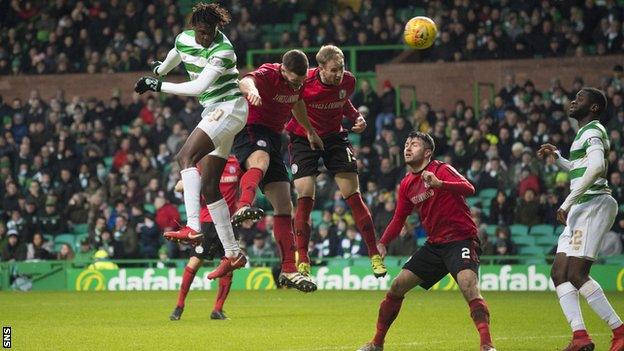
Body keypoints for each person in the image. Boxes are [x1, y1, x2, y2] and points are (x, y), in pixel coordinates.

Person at [134, 3, 246, 274]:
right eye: (201, 32)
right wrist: (160, 70)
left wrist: (156, 85)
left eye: (210, 32)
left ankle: (193, 226)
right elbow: (175, 54)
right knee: (209, 186)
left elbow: (199, 87)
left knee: (185, 157)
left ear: (217, 29)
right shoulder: (185, 39)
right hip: (215, 110)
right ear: (193, 27)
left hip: (230, 107)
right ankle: (233, 254)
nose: (205, 37)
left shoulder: (223, 50)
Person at [357, 132, 495, 351]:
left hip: (461, 240)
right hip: (434, 245)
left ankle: (487, 345)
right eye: (406, 144)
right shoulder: (406, 184)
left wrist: (440, 184)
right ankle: (377, 343)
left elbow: (469, 188)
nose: (407, 148)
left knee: (468, 285)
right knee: (397, 286)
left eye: (414, 144)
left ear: (427, 152)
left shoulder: (441, 169)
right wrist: (382, 242)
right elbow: (399, 218)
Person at [287, 45, 386, 278]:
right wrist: (310, 132)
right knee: (305, 195)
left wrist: (356, 117)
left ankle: (374, 254)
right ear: (320, 68)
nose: (338, 74)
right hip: (303, 137)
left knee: (353, 194)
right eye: (333, 70)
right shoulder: (305, 82)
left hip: (334, 137)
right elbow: (294, 107)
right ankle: (303, 259)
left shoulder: (348, 82)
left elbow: (343, 101)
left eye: (341, 68)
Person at [537, 87, 624, 351]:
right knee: (559, 273)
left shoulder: (593, 130)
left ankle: (620, 332)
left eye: (581, 98)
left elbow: (598, 167)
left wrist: (567, 202)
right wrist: (559, 159)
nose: (574, 101)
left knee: (576, 273)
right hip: (582, 206)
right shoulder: (583, 134)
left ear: (594, 107)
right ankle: (580, 337)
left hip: (592, 204)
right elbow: (584, 168)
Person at [227, 50, 321, 292]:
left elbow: (298, 103)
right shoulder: (269, 72)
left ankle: (289, 270)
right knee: (260, 161)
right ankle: (243, 205)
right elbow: (245, 80)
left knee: (284, 203)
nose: (297, 84)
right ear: (283, 70)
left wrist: (309, 130)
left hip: (274, 136)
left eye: (300, 82)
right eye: (293, 80)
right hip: (251, 128)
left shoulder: (299, 83)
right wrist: (253, 91)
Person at [169, 155, 241, 321]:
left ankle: (217, 309)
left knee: (229, 265)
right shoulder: (205, 162)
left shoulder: (237, 163)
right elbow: (178, 187)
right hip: (207, 222)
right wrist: (193, 183)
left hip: (228, 222)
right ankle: (179, 306)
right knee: (194, 263)